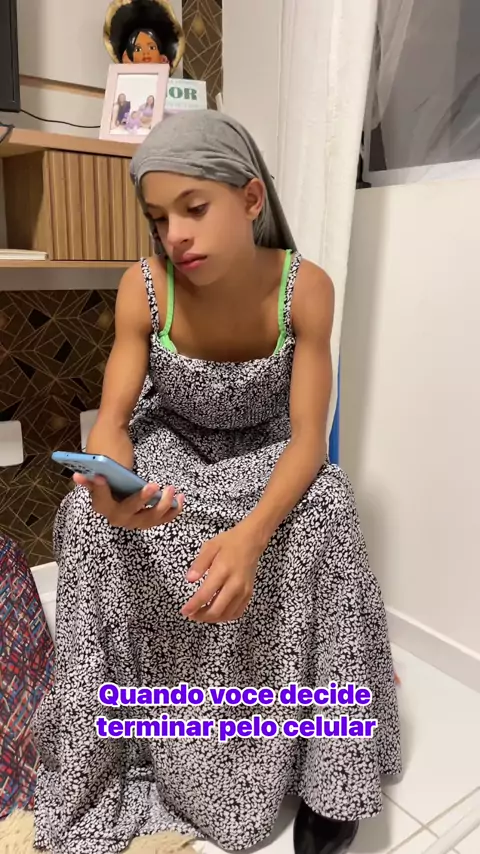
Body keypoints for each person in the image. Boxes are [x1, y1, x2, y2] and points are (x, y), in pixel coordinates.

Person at [32, 110, 402, 854]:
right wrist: (113, 488)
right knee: (85, 523)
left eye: (194, 208)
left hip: (267, 452)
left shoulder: (306, 289)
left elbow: (308, 437)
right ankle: (119, 750)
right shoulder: (144, 288)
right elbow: (113, 421)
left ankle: (334, 780)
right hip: (173, 448)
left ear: (251, 199)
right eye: (159, 218)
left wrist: (251, 538)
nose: (175, 234)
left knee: (329, 503)